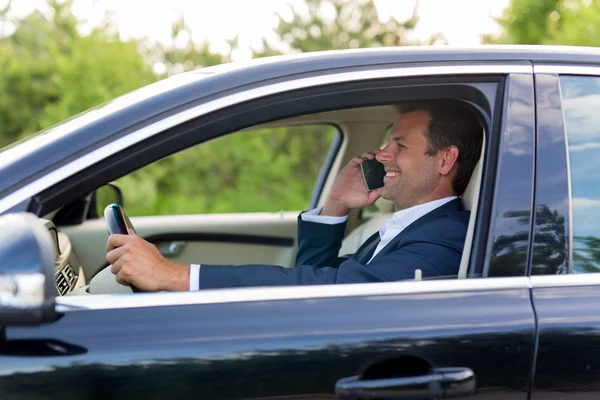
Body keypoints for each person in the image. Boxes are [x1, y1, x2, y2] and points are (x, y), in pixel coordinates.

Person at [106, 101, 483, 292]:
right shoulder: (407, 226)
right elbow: (327, 275)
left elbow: (327, 291)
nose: (382, 153)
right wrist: (336, 203)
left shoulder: (444, 238)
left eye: (399, 144)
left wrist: (171, 275)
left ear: (446, 159)